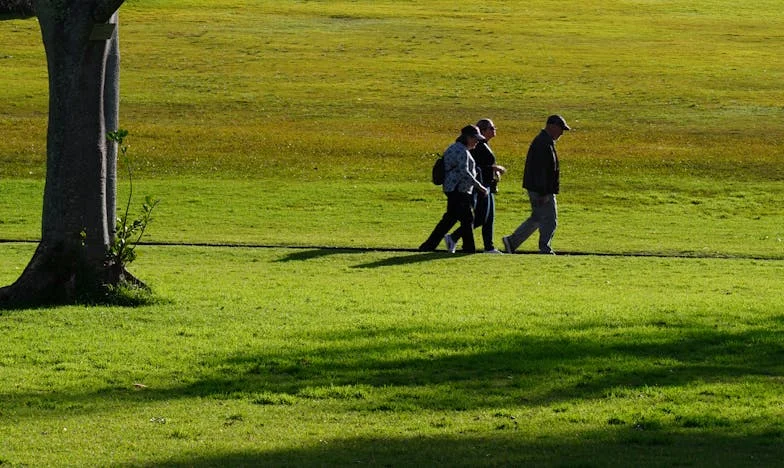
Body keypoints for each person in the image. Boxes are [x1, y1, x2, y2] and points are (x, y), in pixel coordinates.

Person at [502, 114, 571, 255]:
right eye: (560, 129)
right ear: (551, 126)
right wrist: (544, 193)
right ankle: (544, 249)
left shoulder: (544, 141)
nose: (561, 133)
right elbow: (541, 170)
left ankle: (512, 242)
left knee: (538, 217)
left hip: (538, 187)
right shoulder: (543, 143)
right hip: (541, 189)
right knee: (550, 219)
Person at [419, 125, 489, 253]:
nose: (477, 142)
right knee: (467, 219)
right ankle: (468, 248)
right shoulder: (461, 151)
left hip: (454, 189)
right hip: (458, 190)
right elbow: (465, 172)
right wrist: (479, 186)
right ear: (467, 137)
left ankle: (429, 245)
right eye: (475, 138)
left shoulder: (457, 148)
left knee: (450, 219)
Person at [444, 118, 506, 254]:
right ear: (483, 130)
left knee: (489, 217)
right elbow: (475, 167)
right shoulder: (478, 146)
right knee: (480, 217)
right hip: (480, 185)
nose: (494, 130)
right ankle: (454, 237)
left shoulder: (483, 145)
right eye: (491, 128)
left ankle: (488, 246)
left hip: (487, 184)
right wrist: (494, 168)